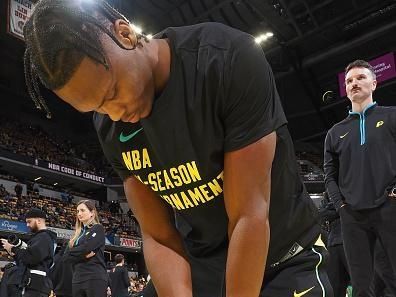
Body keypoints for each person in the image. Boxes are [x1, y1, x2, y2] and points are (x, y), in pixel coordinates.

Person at [23, 1, 332, 296]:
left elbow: (248, 217)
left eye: (113, 91)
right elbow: (159, 237)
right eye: (99, 107)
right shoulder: (110, 128)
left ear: (126, 34)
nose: (115, 113)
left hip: (279, 257)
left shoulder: (225, 59)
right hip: (201, 263)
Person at [324, 59, 396, 297]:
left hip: (389, 208)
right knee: (361, 286)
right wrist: (341, 206)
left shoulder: (392, 116)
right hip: (352, 216)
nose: (354, 83)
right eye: (349, 81)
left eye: (360, 78)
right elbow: (329, 176)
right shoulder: (335, 133)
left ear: (374, 83)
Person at [0, 208, 57, 297]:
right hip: (32, 285)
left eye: (29, 221)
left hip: (36, 286)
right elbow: (26, 261)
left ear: (38, 221)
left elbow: (31, 258)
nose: (27, 225)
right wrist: (14, 253)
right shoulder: (39, 237)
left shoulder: (44, 237)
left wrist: (13, 249)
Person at [65, 200, 107, 297]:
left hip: (94, 277)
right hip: (77, 279)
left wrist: (75, 253)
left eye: (82, 210)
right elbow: (66, 257)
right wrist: (83, 256)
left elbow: (87, 247)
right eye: (78, 211)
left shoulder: (98, 228)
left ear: (92, 213)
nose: (79, 214)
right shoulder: (75, 236)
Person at [318, 193, 350, 297]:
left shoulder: (347, 186)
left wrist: (335, 207)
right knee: (334, 286)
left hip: (351, 242)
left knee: (360, 283)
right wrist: (338, 206)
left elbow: (350, 207)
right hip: (332, 244)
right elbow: (321, 214)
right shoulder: (328, 192)